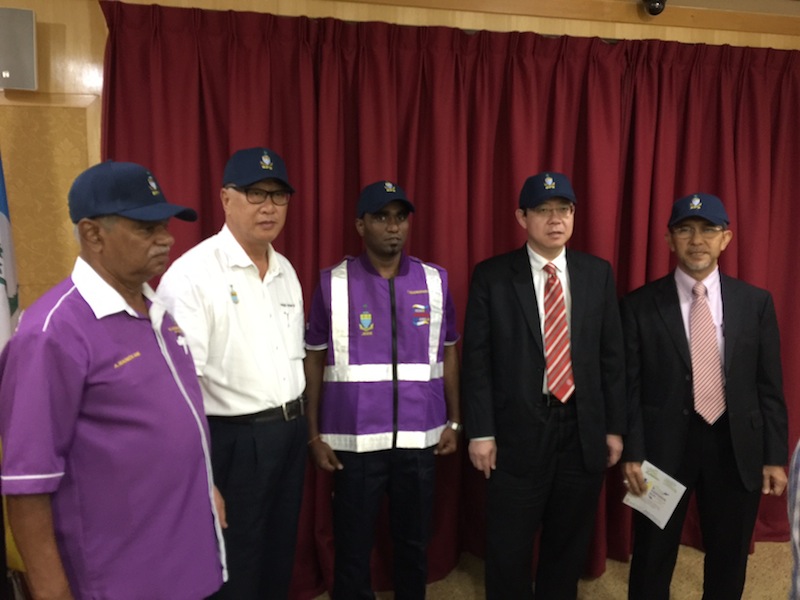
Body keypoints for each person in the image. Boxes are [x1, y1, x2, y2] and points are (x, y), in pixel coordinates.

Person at [0, 161, 226, 599]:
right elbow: (28, 484)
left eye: (165, 225)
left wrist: (205, 485)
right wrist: (51, 591)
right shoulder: (52, 333)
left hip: (185, 561)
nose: (166, 239)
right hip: (118, 578)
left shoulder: (156, 310)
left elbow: (173, 423)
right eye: (146, 228)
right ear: (93, 234)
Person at [462, 171, 626, 599]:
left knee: (568, 543)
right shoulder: (493, 276)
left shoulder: (597, 274)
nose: (556, 219)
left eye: (564, 210)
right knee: (508, 546)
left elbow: (611, 357)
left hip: (581, 429)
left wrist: (613, 427)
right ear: (522, 217)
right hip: (517, 431)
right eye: (544, 210)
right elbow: (476, 362)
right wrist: (480, 431)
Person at [621, 192, 788, 600]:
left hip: (735, 446)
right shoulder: (639, 305)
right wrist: (632, 453)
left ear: (726, 239)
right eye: (685, 230)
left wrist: (773, 456)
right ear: (669, 240)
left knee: (729, 557)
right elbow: (628, 388)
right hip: (662, 451)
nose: (697, 240)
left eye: (708, 230)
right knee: (651, 555)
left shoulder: (756, 303)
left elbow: (769, 386)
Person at [158, 147, 307, 599]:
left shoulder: (285, 271)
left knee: (279, 554)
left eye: (278, 196)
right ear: (225, 198)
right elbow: (178, 390)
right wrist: (200, 474)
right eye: (255, 193)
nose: (268, 207)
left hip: (289, 434)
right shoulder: (192, 276)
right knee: (236, 563)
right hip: (233, 441)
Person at [304, 180, 461, 599]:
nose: (393, 227)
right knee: (353, 550)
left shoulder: (435, 282)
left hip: (419, 440)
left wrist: (455, 421)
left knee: (413, 544)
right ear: (360, 225)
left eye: (400, 217)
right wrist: (313, 434)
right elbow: (315, 359)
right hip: (353, 444)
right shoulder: (332, 284)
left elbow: (448, 354)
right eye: (380, 217)